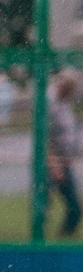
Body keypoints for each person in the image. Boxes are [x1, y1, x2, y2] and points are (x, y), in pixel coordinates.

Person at [48, 70, 83, 239]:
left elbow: (70, 132)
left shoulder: (65, 104)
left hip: (65, 162)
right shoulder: (50, 104)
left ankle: (63, 238)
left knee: (74, 207)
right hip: (51, 164)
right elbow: (45, 138)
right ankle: (41, 243)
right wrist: (54, 165)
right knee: (43, 206)